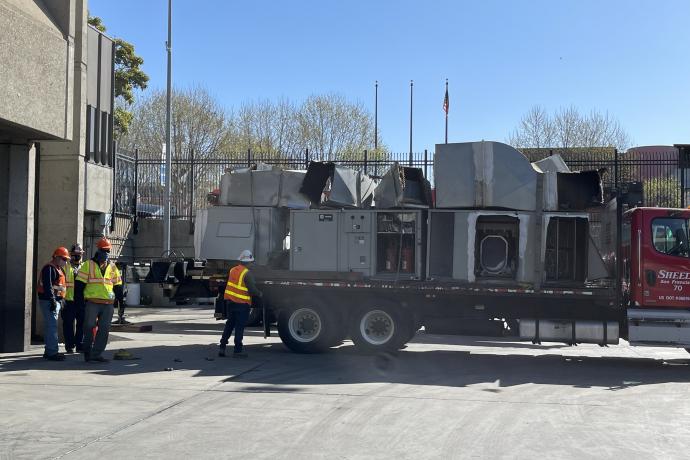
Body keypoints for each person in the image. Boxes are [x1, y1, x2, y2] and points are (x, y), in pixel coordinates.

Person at [74, 237, 124, 362]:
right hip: (92, 303)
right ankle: (87, 351)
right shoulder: (88, 265)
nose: (106, 253)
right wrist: (79, 304)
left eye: (108, 250)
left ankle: (96, 354)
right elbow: (79, 286)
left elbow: (118, 286)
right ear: (98, 250)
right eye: (104, 250)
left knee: (104, 329)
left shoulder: (112, 267)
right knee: (89, 327)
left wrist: (121, 302)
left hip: (108, 304)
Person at [219, 249, 262, 358]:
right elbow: (252, 290)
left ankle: (222, 347)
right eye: (251, 262)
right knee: (239, 327)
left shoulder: (233, 270)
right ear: (248, 262)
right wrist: (260, 294)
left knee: (229, 325)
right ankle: (238, 350)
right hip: (242, 305)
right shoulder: (247, 274)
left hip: (230, 303)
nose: (252, 264)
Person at [37, 247, 69, 361]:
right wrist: (52, 300)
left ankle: (49, 351)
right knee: (52, 327)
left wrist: (61, 299)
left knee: (51, 326)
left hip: (55, 300)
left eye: (66, 259)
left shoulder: (58, 268)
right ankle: (52, 353)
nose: (66, 261)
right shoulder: (50, 268)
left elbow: (58, 287)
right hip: (49, 301)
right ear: (56, 257)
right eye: (64, 259)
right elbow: (48, 286)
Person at [62, 244, 85, 353]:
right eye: (75, 254)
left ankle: (79, 344)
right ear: (71, 255)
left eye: (79, 254)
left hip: (82, 299)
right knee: (68, 323)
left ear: (81, 255)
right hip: (68, 300)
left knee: (82, 323)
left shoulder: (85, 266)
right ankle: (70, 345)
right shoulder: (65, 266)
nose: (77, 256)